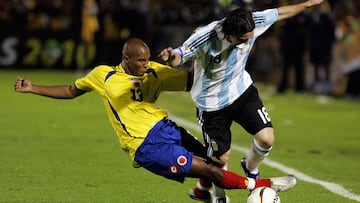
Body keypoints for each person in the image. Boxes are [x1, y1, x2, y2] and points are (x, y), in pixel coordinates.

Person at [14, 38, 296, 201]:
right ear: (125, 59)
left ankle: (205, 195)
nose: (146, 64)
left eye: (148, 59)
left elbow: (192, 80)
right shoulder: (104, 76)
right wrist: (33, 88)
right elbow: (71, 90)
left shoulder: (155, 72)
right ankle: (262, 186)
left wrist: (215, 57)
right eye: (140, 61)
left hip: (166, 128)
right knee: (212, 171)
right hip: (146, 145)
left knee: (215, 162)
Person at [158, 0, 323, 201]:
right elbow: (180, 56)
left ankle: (251, 168)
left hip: (241, 91)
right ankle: (218, 195)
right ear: (230, 35)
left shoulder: (253, 21)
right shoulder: (206, 37)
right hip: (211, 104)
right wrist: (170, 57)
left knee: (266, 138)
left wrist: (308, 4)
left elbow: (281, 13)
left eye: (249, 38)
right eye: (243, 40)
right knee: (220, 159)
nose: (247, 43)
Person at [277, 7, 310, 93]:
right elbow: (282, 25)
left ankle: (300, 87)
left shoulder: (304, 15)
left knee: (299, 68)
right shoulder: (289, 12)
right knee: (285, 68)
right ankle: (283, 86)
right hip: (288, 45)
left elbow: (307, 29)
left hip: (298, 46)